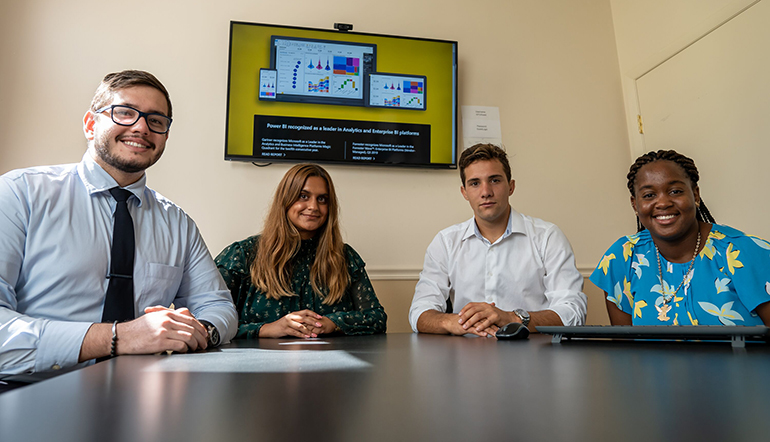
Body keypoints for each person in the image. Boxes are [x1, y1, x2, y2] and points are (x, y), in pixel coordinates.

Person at [0, 70, 237, 390]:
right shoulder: (19, 195)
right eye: (124, 112)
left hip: (139, 395)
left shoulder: (178, 225)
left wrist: (200, 331)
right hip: (26, 391)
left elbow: (218, 306)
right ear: (90, 124)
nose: (141, 126)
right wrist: (118, 337)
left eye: (156, 120)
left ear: (165, 136)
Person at [409, 143, 587, 336]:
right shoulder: (445, 242)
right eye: (475, 183)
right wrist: (452, 322)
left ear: (511, 187)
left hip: (534, 356)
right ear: (464, 193)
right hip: (467, 356)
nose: (486, 192)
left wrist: (513, 318)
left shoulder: (547, 237)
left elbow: (573, 311)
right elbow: (419, 312)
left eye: (494, 180)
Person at [590, 149, 770, 326]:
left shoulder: (745, 253)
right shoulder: (623, 257)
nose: (663, 203)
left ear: (696, 195)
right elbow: (626, 349)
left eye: (675, 191)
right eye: (649, 195)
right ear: (635, 205)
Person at [215, 163, 387, 339]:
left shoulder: (344, 257)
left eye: (322, 199)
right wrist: (267, 329)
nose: (313, 206)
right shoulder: (242, 255)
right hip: (259, 363)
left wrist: (332, 323)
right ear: (285, 200)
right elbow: (209, 322)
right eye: (303, 196)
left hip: (333, 362)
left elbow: (377, 318)